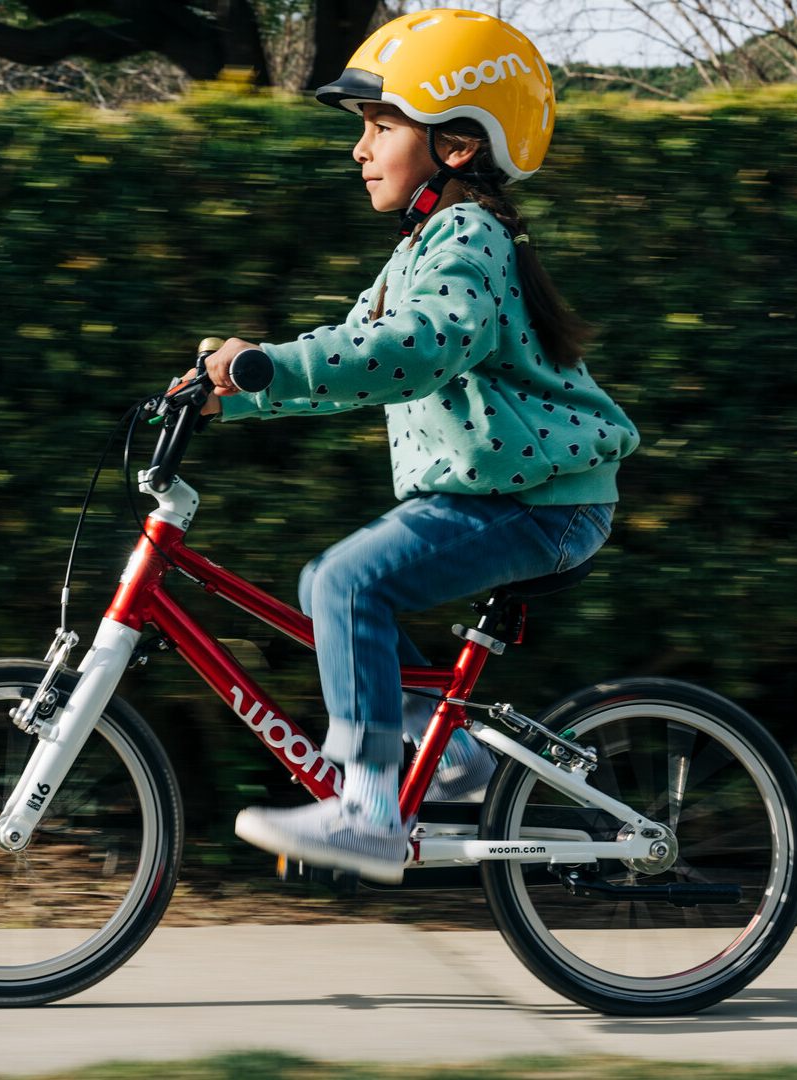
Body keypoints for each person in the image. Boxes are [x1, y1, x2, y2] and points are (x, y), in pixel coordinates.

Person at [191, 8, 640, 884]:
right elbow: (344, 360)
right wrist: (226, 398)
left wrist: (259, 367)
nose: (360, 148)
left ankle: (368, 808)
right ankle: (458, 753)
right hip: (502, 495)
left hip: (539, 504)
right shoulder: (425, 249)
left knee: (352, 581)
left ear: (459, 146)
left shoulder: (468, 240)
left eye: (381, 125)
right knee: (327, 583)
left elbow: (415, 349)